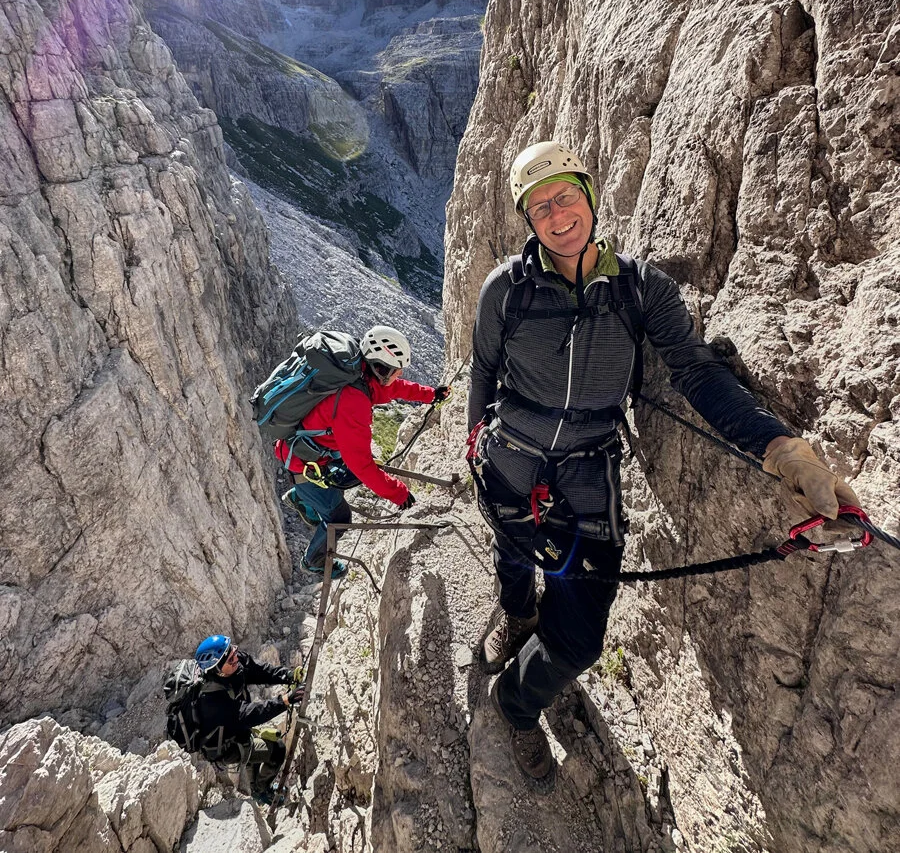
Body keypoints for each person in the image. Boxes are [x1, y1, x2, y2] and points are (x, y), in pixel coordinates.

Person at [468, 140, 861, 788]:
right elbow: (484, 368)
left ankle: (514, 701)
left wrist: (779, 448)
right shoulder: (503, 293)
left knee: (582, 640)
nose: (557, 213)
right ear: (527, 221)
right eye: (539, 207)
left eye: (566, 194)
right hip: (508, 453)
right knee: (512, 550)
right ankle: (517, 613)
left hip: (588, 474)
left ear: (590, 195)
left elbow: (697, 375)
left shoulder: (641, 289)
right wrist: (476, 441)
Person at [277, 325, 450, 578]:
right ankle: (313, 560)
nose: (398, 374)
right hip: (303, 463)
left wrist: (430, 394)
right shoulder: (353, 401)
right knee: (340, 517)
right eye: (395, 370)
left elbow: (395, 388)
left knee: (342, 476)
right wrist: (398, 493)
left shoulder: (358, 373)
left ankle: (301, 498)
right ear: (380, 368)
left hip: (312, 449)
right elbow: (362, 466)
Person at [193, 635, 304, 800]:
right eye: (231, 659)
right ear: (217, 670)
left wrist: (288, 675)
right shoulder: (211, 701)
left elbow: (259, 671)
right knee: (277, 750)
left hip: (236, 727)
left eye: (234, 651)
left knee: (255, 751)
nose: (236, 657)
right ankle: (262, 791)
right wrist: (285, 700)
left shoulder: (234, 661)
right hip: (225, 745)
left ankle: (253, 784)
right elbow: (248, 714)